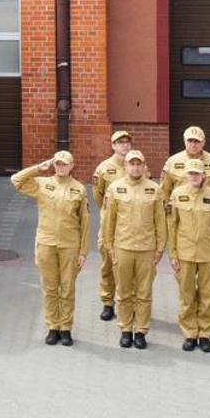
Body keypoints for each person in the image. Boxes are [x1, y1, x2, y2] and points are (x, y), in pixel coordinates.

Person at [12, 151, 90, 346]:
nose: (61, 167)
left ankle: (66, 328)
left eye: (64, 164)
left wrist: (83, 252)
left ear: (72, 166)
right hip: (46, 243)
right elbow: (16, 180)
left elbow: (86, 223)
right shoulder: (42, 184)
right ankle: (52, 327)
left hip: (69, 246)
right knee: (49, 288)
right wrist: (40, 167)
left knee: (67, 289)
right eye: (58, 164)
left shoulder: (79, 189)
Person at [100, 149, 165, 349]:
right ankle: (126, 329)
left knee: (144, 294)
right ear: (125, 166)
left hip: (146, 249)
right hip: (122, 247)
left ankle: (141, 331)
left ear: (144, 166)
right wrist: (109, 247)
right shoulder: (115, 188)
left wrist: (160, 248)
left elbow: (161, 221)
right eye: (132, 163)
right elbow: (108, 221)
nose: (135, 167)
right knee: (124, 292)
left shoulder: (154, 189)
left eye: (139, 164)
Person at [165, 161, 210, 353]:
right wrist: (173, 254)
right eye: (191, 173)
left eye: (197, 173)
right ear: (186, 175)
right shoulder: (177, 195)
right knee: (187, 294)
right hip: (184, 254)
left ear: (203, 176)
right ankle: (190, 333)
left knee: (207, 295)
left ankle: (205, 334)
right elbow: (172, 226)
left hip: (208, 254)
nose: (194, 176)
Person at [93, 130, 134, 321]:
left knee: (128, 268)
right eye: (120, 143)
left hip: (131, 227)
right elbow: (98, 196)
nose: (124, 146)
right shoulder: (104, 168)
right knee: (108, 267)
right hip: (110, 226)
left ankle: (128, 303)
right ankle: (108, 303)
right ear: (113, 145)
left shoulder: (137, 164)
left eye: (127, 142)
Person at [162, 126, 210, 209]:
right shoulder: (172, 162)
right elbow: (164, 192)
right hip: (181, 214)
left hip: (206, 214)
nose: (193, 145)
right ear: (184, 140)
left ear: (203, 142)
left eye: (197, 141)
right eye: (190, 141)